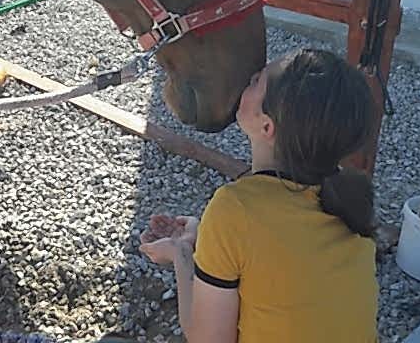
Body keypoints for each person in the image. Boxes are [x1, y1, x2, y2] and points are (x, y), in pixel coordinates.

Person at [139, 49, 379, 343]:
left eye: (256, 81)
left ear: (267, 126)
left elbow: (208, 339)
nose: (247, 80)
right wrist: (208, 241)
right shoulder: (348, 199)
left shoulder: (236, 208)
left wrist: (181, 254)